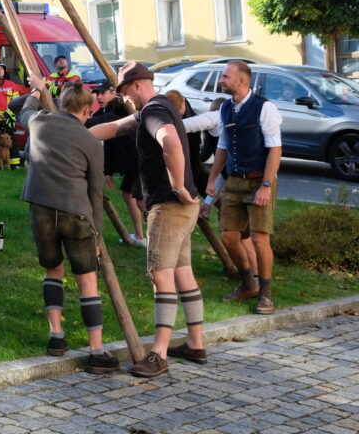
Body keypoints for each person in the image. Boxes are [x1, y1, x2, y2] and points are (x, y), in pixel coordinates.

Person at [92, 61, 206, 378]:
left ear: (137, 86)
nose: (124, 98)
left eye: (125, 92)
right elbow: (115, 128)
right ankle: (196, 344)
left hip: (169, 207)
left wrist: (178, 185)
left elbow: (169, 141)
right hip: (182, 209)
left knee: (161, 276)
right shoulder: (156, 108)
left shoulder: (155, 113)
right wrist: (78, 135)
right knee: (184, 274)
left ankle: (158, 354)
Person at [14, 78, 117, 374]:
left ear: (61, 103)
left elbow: (22, 109)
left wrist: (36, 89)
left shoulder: (38, 122)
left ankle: (56, 336)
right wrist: (97, 235)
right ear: (86, 109)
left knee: (52, 270)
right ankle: (96, 350)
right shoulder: (89, 141)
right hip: (77, 213)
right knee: (87, 279)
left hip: (41, 209)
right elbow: (95, 191)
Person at [202, 61, 282, 315]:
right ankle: (248, 283)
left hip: (259, 180)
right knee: (229, 237)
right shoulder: (225, 107)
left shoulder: (264, 107)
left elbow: (275, 149)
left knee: (259, 238)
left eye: (226, 76)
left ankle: (266, 295)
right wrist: (213, 179)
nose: (221, 80)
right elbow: (223, 146)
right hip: (234, 180)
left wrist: (266, 185)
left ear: (242, 80)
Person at [88, 81, 146, 246]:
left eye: (102, 93)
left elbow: (105, 122)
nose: (98, 97)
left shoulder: (120, 109)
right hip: (131, 163)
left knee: (141, 200)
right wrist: (108, 171)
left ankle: (161, 234)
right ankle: (139, 236)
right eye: (96, 93)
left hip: (139, 160)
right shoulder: (106, 109)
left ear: (112, 93)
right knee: (127, 195)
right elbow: (109, 144)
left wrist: (81, 119)